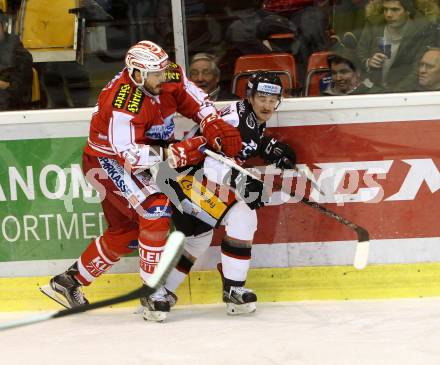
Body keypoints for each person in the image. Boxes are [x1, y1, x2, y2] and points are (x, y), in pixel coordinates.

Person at [40, 40, 242, 322]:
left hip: (142, 156)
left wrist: (212, 124)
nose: (163, 78)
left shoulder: (166, 74)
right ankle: (152, 292)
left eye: (163, 72)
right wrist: (179, 151)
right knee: (155, 209)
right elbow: (131, 157)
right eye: (155, 75)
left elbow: (199, 102)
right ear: (136, 73)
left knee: (126, 230)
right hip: (107, 161)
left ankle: (69, 281)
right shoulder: (121, 102)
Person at [151, 72, 296, 319]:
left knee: (198, 239)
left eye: (273, 100)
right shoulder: (237, 120)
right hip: (182, 178)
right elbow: (211, 162)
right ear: (249, 96)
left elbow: (238, 147)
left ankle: (159, 292)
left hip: (184, 178)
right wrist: (242, 184)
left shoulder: (247, 117)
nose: (268, 105)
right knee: (242, 214)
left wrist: (267, 147)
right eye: (262, 98)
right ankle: (233, 290)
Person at [357, 0, 436, 92]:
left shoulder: (422, 31)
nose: (388, 15)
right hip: (371, 88)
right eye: (385, 9)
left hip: (403, 92)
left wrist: (394, 94)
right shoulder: (374, 25)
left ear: (408, 11)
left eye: (395, 10)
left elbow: (417, 70)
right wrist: (368, 62)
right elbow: (359, 53)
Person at [0, 10, 33, 110]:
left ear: (3, 27)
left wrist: (4, 85)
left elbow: (17, 90)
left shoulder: (16, 50)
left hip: (10, 110)